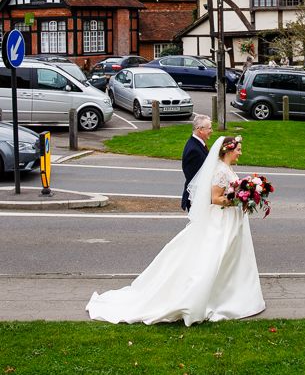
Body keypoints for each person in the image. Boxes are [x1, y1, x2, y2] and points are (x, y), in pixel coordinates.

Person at [87, 135, 266, 325]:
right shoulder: (220, 170)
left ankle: (232, 295)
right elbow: (215, 198)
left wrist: (244, 196)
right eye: (238, 149)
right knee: (215, 256)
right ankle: (211, 298)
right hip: (221, 220)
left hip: (230, 220)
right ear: (228, 150)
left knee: (230, 258)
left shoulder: (227, 168)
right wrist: (239, 198)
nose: (240, 152)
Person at [181, 115, 213, 211]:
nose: (212, 131)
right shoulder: (194, 151)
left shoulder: (197, 144)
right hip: (197, 199)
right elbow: (196, 178)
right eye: (210, 128)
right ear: (200, 130)